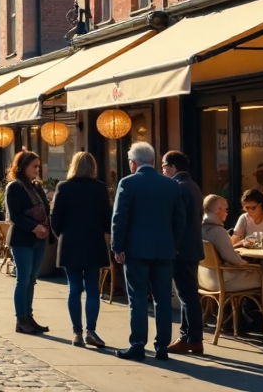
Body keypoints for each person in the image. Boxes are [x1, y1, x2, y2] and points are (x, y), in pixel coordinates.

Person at [110, 142, 185, 361]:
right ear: (152, 160)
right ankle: (162, 346)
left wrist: (118, 247)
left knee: (138, 299)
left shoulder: (128, 183)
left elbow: (119, 218)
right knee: (162, 298)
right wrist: (174, 243)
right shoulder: (171, 185)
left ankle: (138, 344)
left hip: (136, 250)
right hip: (164, 249)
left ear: (133, 162)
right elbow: (180, 220)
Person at [50, 152, 110, 348]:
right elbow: (107, 218)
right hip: (94, 242)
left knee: (74, 289)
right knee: (93, 289)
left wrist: (62, 234)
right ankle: (91, 330)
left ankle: (76, 331)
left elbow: (55, 219)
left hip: (71, 243)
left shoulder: (64, 187)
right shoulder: (100, 188)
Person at [161, 150, 205, 355]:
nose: (162, 171)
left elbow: (177, 221)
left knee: (187, 295)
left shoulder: (178, 187)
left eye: (163, 166)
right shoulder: (193, 186)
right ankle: (187, 336)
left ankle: (192, 338)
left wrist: (172, 246)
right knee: (188, 293)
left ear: (172, 167)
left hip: (182, 249)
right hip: (192, 247)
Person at [5, 151, 52, 335]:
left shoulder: (36, 187)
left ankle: (29, 316)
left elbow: (45, 208)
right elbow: (14, 215)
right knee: (23, 280)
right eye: (34, 166)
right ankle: (21, 319)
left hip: (38, 238)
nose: (37, 170)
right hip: (22, 239)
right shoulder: (14, 187)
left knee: (32, 280)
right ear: (22, 167)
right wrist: (34, 227)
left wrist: (44, 225)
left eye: (38, 166)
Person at [201, 195, 263, 292]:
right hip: (222, 281)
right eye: (226, 209)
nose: (227, 213)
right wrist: (248, 265)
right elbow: (234, 260)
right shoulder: (219, 232)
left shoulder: (200, 229)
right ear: (217, 210)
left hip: (204, 279)